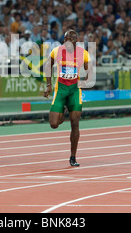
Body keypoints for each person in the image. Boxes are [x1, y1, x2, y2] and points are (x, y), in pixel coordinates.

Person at [43, 29, 92, 167]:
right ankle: (63, 110)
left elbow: (89, 71)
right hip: (61, 89)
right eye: (66, 39)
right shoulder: (57, 51)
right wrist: (48, 85)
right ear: (64, 40)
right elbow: (48, 65)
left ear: (76, 41)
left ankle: (73, 157)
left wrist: (84, 81)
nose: (68, 42)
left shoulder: (83, 54)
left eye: (71, 40)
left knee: (75, 122)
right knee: (53, 124)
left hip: (74, 90)